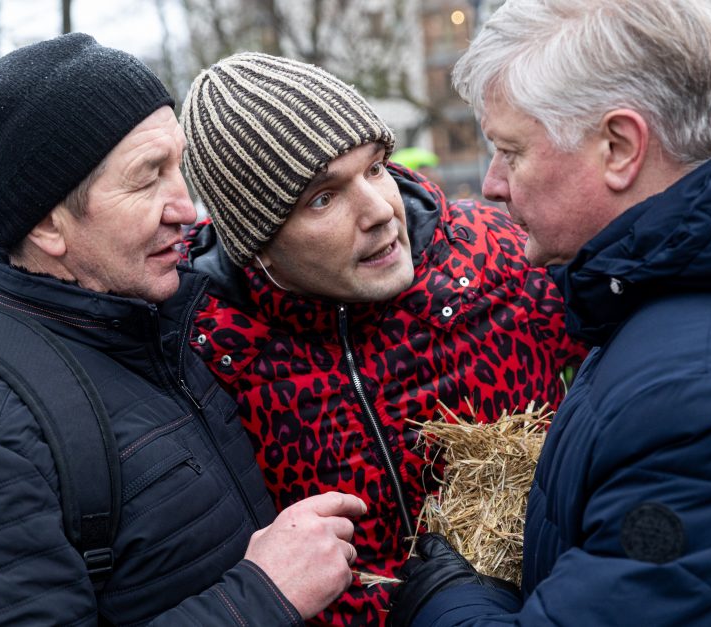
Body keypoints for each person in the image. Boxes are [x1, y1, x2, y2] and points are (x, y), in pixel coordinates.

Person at [387, 0, 711, 625]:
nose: (493, 183)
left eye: (511, 150)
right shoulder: (695, 290)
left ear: (619, 146)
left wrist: (447, 601)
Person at [0, 33, 367, 625]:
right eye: (148, 177)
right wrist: (262, 596)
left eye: (179, 167)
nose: (187, 208)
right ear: (49, 223)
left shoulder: (164, 324)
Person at [180, 52, 588, 626]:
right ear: (258, 244)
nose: (379, 210)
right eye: (323, 197)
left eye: (374, 168)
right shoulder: (202, 352)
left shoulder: (504, 257)